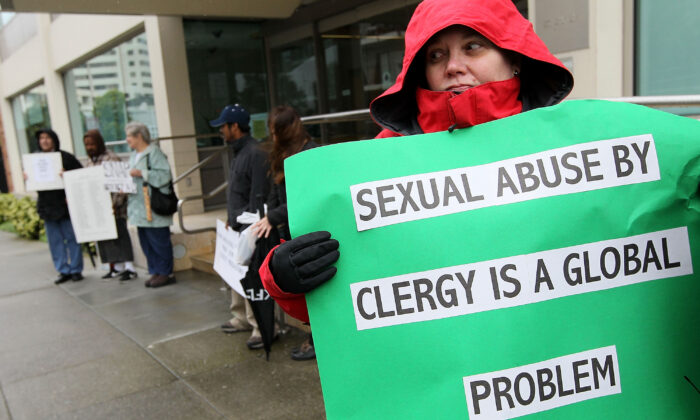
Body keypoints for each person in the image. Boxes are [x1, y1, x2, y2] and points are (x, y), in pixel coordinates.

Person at [259, 0, 574, 322]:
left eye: (473, 46)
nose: (453, 66)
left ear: (514, 59)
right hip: (435, 362)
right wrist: (285, 277)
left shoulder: (571, 149)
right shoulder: (381, 158)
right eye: (435, 54)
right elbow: (352, 297)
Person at [251, 105, 319, 360]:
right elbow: (275, 191)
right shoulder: (282, 153)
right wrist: (268, 216)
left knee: (314, 288)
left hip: (309, 229)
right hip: (290, 229)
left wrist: (273, 216)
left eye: (273, 129)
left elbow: (309, 199)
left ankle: (316, 340)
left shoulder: (309, 152)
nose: (271, 134)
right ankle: (313, 338)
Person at [209, 104, 271, 350]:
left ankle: (260, 325)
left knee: (251, 277)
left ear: (235, 126)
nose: (221, 131)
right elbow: (238, 190)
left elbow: (258, 192)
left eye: (223, 126)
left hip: (250, 226)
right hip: (237, 224)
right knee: (235, 273)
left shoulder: (255, 153)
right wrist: (230, 217)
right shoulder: (240, 152)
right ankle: (243, 318)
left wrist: (251, 223)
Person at [125, 122, 175, 288]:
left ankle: (165, 272)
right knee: (146, 241)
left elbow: (164, 175)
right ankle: (155, 270)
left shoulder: (154, 152)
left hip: (153, 206)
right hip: (139, 207)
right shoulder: (134, 155)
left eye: (129, 136)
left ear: (139, 136)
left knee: (159, 240)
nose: (127, 140)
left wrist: (141, 173)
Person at [83, 129, 137, 281]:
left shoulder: (110, 158)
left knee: (121, 235)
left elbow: (121, 184)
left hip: (115, 207)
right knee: (107, 238)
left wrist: (115, 204)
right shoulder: (90, 161)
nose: (89, 147)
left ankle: (129, 267)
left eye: (92, 144)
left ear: (99, 143)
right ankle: (116, 267)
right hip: (100, 208)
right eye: (87, 144)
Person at [32, 129, 84, 284]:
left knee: (72, 238)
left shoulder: (66, 157)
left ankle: (76, 269)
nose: (45, 141)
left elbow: (81, 175)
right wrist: (28, 176)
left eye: (48, 137)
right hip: (47, 206)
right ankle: (63, 270)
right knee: (55, 241)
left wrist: (67, 175)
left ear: (54, 140)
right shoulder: (34, 160)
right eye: (41, 138)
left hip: (65, 205)